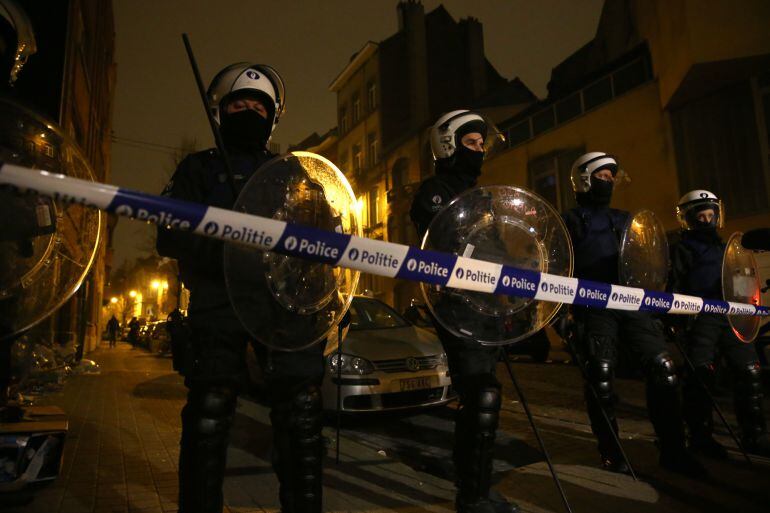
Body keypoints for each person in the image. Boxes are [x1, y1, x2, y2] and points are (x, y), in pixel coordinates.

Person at [156, 63, 327, 513]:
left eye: (258, 105)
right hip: (219, 301)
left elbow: (323, 233)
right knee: (210, 411)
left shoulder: (291, 173)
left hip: (281, 306)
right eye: (239, 104)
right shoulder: (197, 169)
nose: (248, 110)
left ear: (272, 117)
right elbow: (168, 233)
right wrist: (226, 251)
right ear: (220, 111)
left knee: (302, 412)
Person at [562, 152, 706, 477]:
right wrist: (563, 314)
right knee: (600, 376)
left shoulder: (626, 219)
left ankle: (673, 450)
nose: (609, 181)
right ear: (584, 178)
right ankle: (611, 452)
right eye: (602, 175)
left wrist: (660, 304)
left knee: (664, 368)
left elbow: (647, 261)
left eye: (612, 176)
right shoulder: (569, 220)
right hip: (593, 304)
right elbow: (559, 267)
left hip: (632, 303)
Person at [411, 110, 518, 513]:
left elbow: (493, 248)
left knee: (481, 397)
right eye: (471, 143)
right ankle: (473, 497)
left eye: (481, 145)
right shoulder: (435, 191)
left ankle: (473, 481)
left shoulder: (484, 198)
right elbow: (438, 239)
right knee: (483, 393)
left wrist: (513, 285)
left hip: (487, 306)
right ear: (449, 145)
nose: (479, 151)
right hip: (458, 306)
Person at [669, 190, 770, 458]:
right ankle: (701, 437)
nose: (706, 220)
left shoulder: (728, 248)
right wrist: (676, 318)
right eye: (700, 215)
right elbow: (674, 285)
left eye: (710, 214)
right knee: (701, 374)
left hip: (731, 316)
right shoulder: (682, 249)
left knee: (749, 371)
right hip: (701, 317)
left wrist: (747, 303)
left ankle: (755, 434)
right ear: (689, 219)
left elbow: (743, 282)